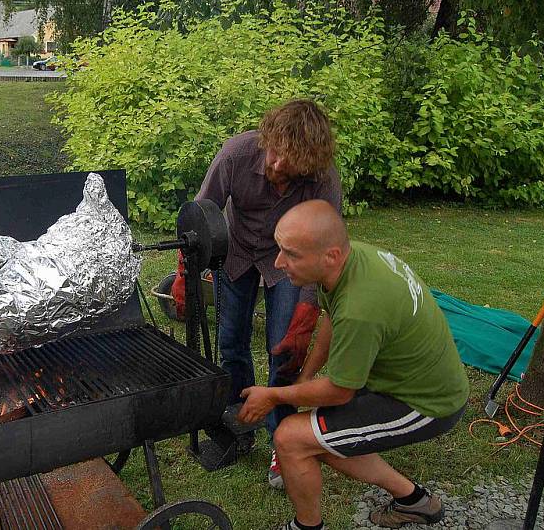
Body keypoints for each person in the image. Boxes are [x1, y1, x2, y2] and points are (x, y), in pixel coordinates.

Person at [237, 200, 469, 529]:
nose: (278, 262)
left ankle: (306, 527)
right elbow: (333, 317)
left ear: (330, 255)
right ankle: (416, 501)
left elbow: (340, 391)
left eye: (291, 254)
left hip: (427, 403)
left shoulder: (361, 308)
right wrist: (305, 379)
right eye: (280, 249)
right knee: (320, 434)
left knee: (292, 438)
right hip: (404, 381)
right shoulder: (350, 260)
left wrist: (274, 395)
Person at [172, 99, 342, 487]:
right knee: (231, 341)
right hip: (236, 250)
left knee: (284, 349)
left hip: (292, 262)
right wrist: (185, 273)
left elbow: (324, 246)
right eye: (276, 152)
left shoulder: (323, 179)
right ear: (269, 137)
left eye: (292, 162)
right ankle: (238, 423)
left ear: (311, 164)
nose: (278, 165)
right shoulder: (236, 153)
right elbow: (200, 215)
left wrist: (308, 310)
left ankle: (282, 440)